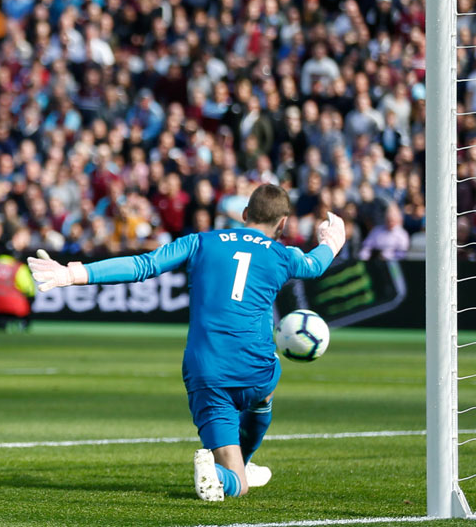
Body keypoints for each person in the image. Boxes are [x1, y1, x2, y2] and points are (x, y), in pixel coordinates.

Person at [28, 184, 346, 501]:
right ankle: (237, 464)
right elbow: (315, 265)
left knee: (234, 479)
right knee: (265, 390)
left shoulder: (200, 241)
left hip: (207, 372)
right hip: (257, 371)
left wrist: (72, 273)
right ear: (283, 224)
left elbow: (144, 266)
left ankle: (229, 470)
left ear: (245, 214)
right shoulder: (283, 255)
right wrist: (332, 240)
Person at [0, 253, 36, 331]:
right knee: (29, 299)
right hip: (11, 305)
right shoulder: (18, 266)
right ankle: (24, 325)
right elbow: (29, 289)